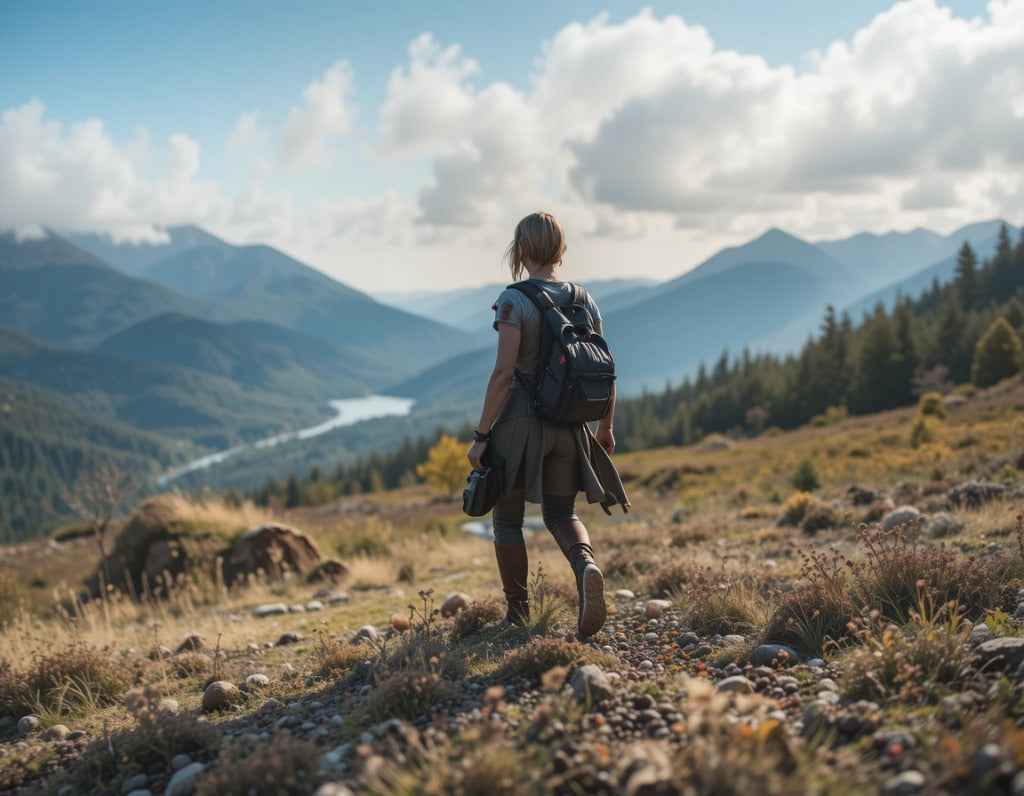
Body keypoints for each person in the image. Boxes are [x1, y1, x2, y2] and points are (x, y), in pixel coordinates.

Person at [466, 211, 629, 640]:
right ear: (561, 248)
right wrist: (605, 428)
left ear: (520, 250)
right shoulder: (584, 300)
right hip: (571, 426)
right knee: (562, 513)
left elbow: (503, 375)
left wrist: (482, 436)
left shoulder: (513, 300)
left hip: (520, 425)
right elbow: (604, 368)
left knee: (506, 521)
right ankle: (586, 566)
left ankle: (518, 615)